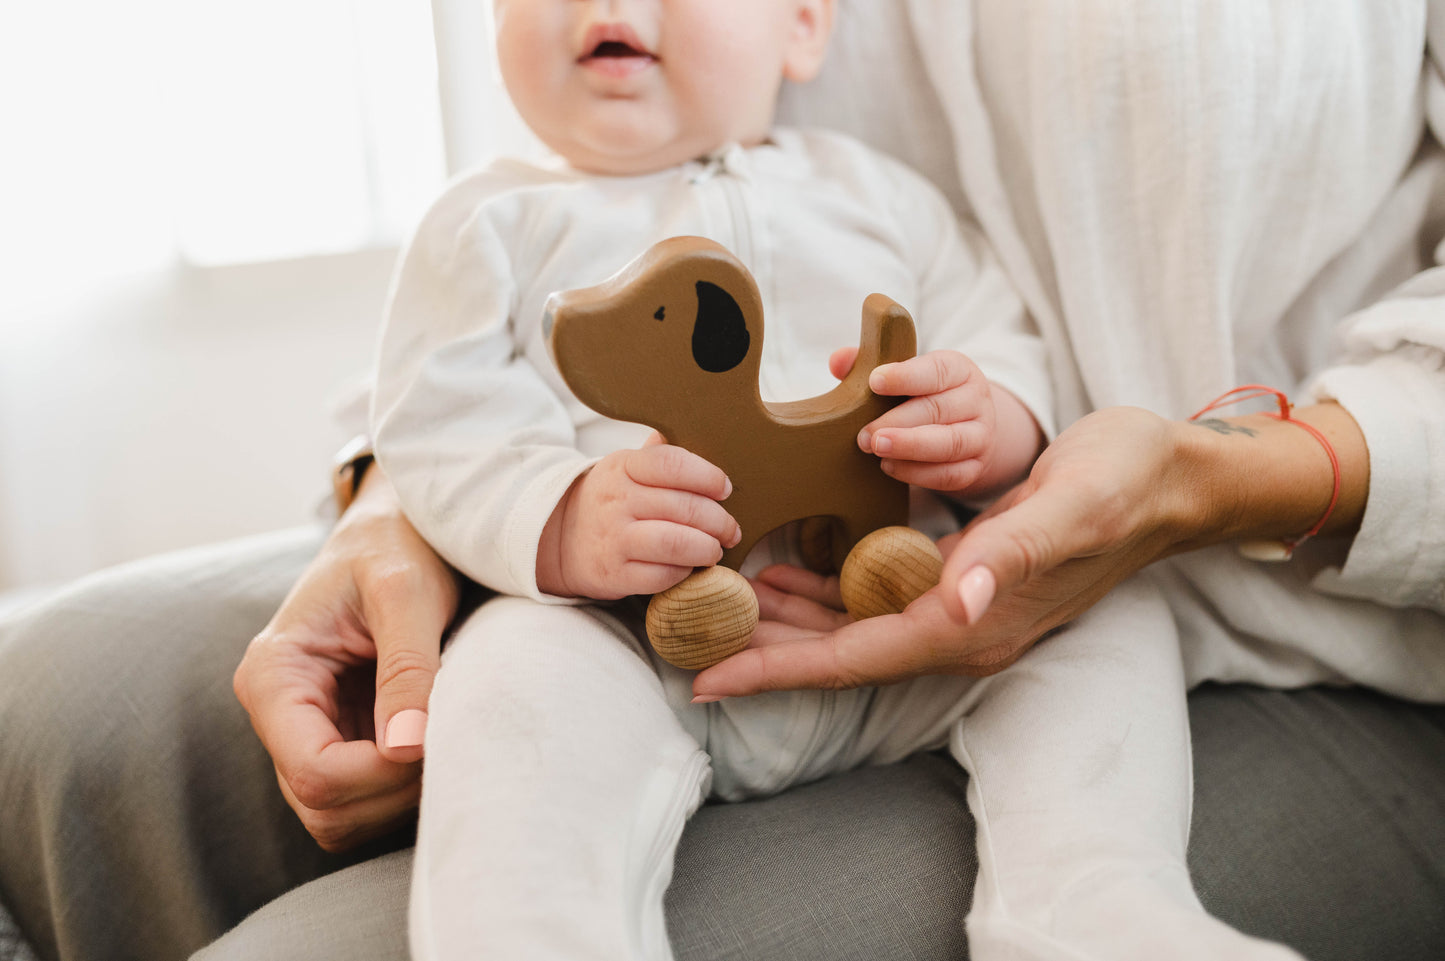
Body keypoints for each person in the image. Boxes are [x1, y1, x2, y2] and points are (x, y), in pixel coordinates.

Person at [0, 2, 1442, 960]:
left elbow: (986, 321)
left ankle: (1091, 896)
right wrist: (550, 520)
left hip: (959, 595)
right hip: (640, 636)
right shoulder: (490, 224)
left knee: (1108, 629)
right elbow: (433, 411)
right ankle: (536, 928)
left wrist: (990, 419)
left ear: (805, 22)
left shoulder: (876, 198)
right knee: (492, 683)